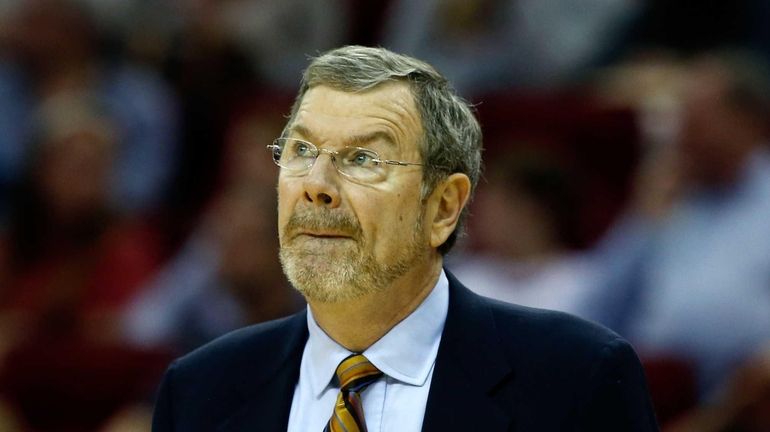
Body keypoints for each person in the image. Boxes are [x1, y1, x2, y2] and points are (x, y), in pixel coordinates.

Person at [152, 45, 658, 432]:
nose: (316, 188)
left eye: (363, 159)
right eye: (301, 151)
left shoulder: (576, 379)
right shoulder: (199, 392)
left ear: (442, 208)